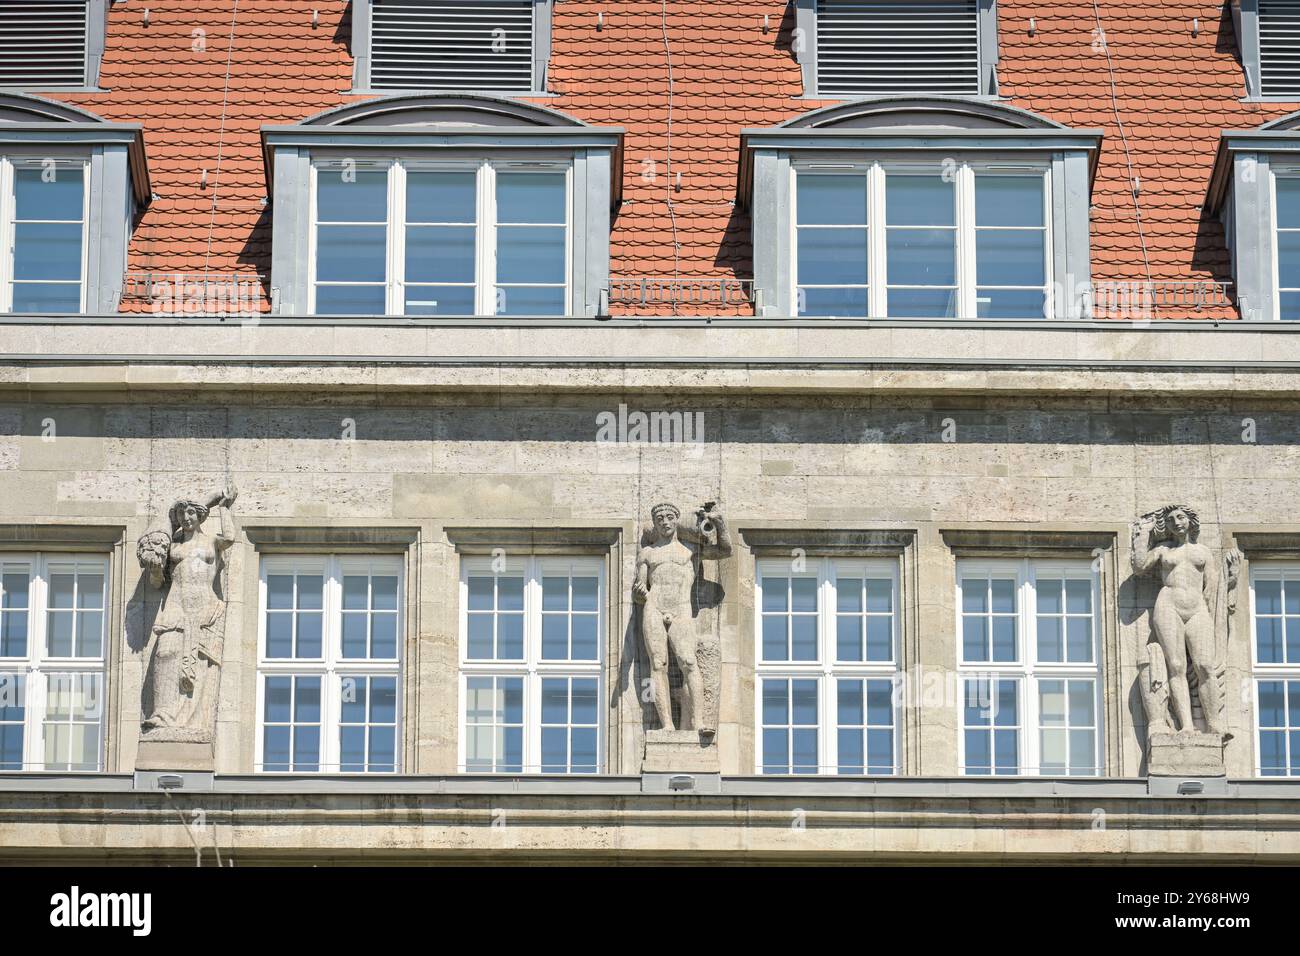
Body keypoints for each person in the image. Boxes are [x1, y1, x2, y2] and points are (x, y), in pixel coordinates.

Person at [138, 486, 238, 741]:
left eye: (191, 512)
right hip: (176, 604)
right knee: (165, 651)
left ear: (201, 515)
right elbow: (158, 582)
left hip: (203, 605)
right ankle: (162, 714)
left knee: (199, 666)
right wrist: (154, 568)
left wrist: (223, 507)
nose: (186, 517)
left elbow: (230, 538)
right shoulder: (173, 546)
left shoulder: (210, 542)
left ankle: (192, 720)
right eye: (182, 513)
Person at [633, 501, 732, 735]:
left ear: (676, 520)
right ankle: (667, 724)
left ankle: (698, 721)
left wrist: (718, 522)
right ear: (655, 524)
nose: (665, 522)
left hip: (681, 608)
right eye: (660, 519)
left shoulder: (689, 549)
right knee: (659, 664)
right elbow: (641, 587)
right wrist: (640, 594)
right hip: (654, 608)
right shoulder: (647, 553)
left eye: (669, 517)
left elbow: (725, 551)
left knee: (688, 662)